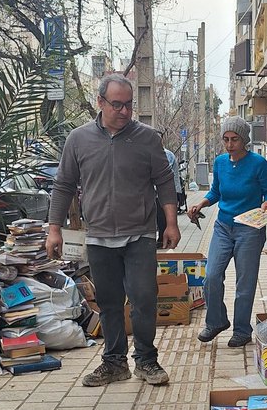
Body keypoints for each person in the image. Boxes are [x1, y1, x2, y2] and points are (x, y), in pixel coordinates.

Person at [46, 73, 179, 387]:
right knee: (108, 301)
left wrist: (171, 223)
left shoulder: (148, 138)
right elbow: (63, 185)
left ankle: (147, 361)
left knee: (144, 297)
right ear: (100, 102)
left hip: (140, 234)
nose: (124, 111)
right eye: (116, 104)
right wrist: (55, 230)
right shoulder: (78, 139)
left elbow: (165, 182)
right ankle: (114, 362)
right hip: (100, 236)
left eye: (128, 105)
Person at [188, 116, 267, 347]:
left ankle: (241, 330)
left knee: (244, 283)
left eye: (234, 139)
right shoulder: (220, 163)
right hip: (223, 226)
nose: (229, 144)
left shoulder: (258, 164)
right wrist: (201, 204)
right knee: (211, 276)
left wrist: (266, 204)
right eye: (225, 139)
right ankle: (216, 321)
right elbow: (216, 192)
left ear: (244, 140)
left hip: (250, 228)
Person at [156, 145, 183, 239]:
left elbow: (162, 173)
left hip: (171, 191)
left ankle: (163, 240)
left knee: (162, 217)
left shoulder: (165, 154)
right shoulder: (157, 153)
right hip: (162, 192)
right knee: (160, 216)